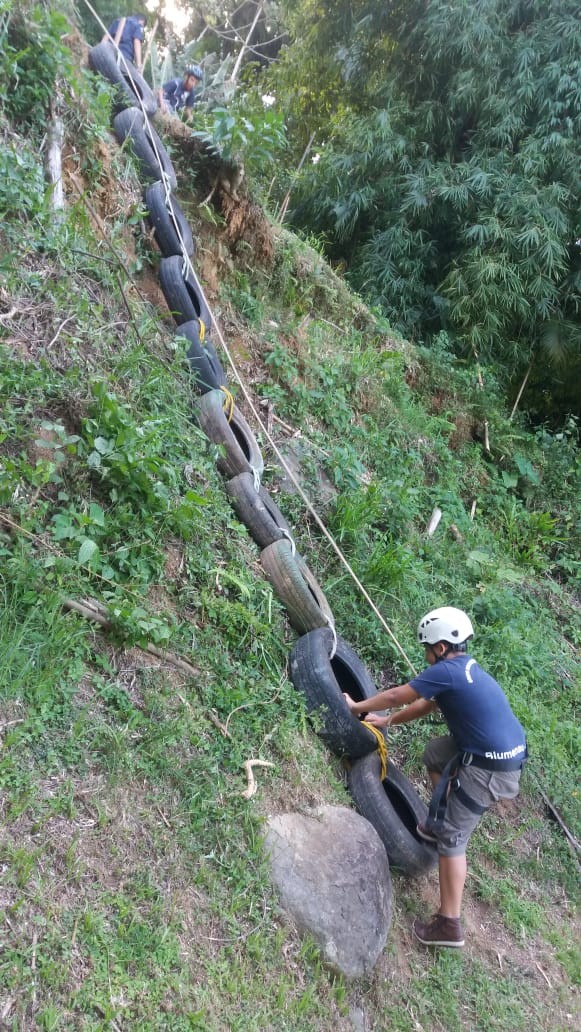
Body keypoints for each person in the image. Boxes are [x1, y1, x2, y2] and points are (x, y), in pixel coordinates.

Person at [344, 606, 527, 949]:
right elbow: (427, 705)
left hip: (490, 769)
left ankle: (449, 925)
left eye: (427, 648)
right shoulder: (463, 668)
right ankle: (439, 819)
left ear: (440, 648)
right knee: (435, 754)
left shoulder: (447, 671)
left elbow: (400, 695)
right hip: (490, 750)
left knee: (452, 842)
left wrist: (356, 708)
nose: (425, 655)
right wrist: (388, 721)